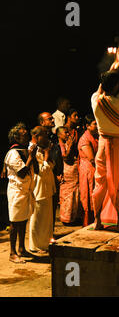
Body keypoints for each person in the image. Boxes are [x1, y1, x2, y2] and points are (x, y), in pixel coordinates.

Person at [91, 50, 119, 231]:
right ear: (116, 86)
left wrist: (111, 68)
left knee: (100, 182)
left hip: (103, 144)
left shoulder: (95, 100)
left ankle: (98, 221)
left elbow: (101, 88)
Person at [4, 123, 37, 263]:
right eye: (24, 134)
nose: (27, 136)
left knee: (23, 220)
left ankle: (22, 248)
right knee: (14, 222)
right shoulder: (13, 153)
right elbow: (22, 173)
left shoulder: (23, 150)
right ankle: (12, 252)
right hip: (16, 191)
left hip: (25, 190)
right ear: (16, 137)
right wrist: (30, 157)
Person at [29, 126, 55, 253]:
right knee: (37, 217)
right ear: (37, 137)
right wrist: (47, 155)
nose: (46, 138)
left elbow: (50, 166)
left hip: (46, 187)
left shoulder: (41, 149)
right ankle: (35, 245)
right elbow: (41, 171)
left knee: (46, 218)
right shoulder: (31, 150)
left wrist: (47, 159)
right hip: (38, 188)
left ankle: (45, 243)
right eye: (44, 135)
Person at [38, 112, 60, 229]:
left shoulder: (54, 136)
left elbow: (58, 155)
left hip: (54, 173)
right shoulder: (39, 137)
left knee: (53, 205)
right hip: (42, 174)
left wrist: (59, 172)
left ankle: (50, 233)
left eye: (52, 118)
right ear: (42, 122)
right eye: (49, 119)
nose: (52, 120)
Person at [57, 125, 81, 225]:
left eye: (68, 132)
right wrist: (70, 145)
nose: (68, 134)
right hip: (66, 172)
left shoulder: (66, 143)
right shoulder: (60, 144)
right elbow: (65, 157)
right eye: (65, 132)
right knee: (67, 196)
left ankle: (73, 217)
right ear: (59, 135)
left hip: (72, 172)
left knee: (74, 195)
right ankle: (66, 219)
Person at [78, 115, 99, 227]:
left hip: (95, 169)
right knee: (89, 196)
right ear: (87, 126)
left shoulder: (95, 136)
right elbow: (91, 158)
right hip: (88, 170)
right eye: (95, 124)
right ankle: (88, 224)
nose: (97, 126)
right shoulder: (84, 139)